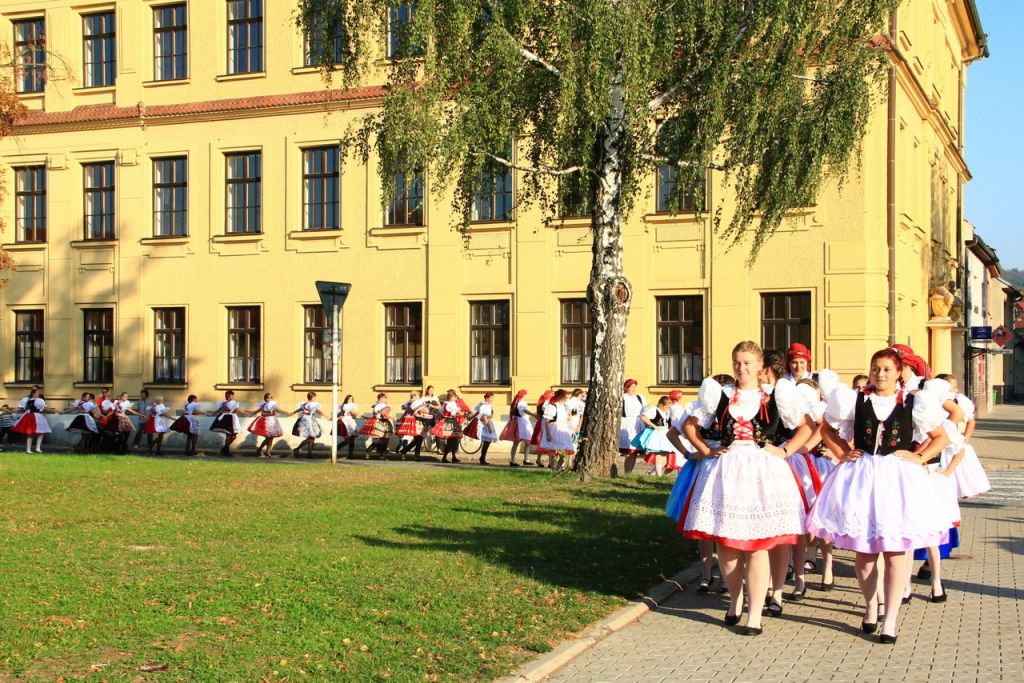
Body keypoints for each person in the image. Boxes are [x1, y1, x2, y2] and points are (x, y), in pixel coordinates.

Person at [808, 347, 951, 644]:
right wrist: (843, 453)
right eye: (876, 368)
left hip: (898, 480)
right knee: (865, 554)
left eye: (886, 369)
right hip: (863, 477)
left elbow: (941, 438)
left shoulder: (913, 402)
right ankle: (871, 604)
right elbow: (827, 430)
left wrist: (919, 458)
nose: (880, 374)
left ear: (898, 372)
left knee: (896, 552)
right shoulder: (855, 400)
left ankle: (891, 620)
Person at [678, 341, 814, 636]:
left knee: (757, 545)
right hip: (726, 472)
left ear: (760, 365)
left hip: (764, 472)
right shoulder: (721, 395)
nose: (742, 368)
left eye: (748, 363)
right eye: (737, 363)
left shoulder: (776, 394)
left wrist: (786, 451)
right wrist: (705, 449)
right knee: (726, 546)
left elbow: (807, 426)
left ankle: (754, 614)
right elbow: (689, 425)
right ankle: (735, 598)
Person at [633, 396, 677, 476]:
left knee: (664, 459)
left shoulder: (665, 412)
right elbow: (643, 417)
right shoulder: (654, 410)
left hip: (664, 434)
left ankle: (652, 473)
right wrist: (654, 426)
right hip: (657, 435)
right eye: (666, 407)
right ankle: (659, 477)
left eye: (668, 407)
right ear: (661, 404)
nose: (667, 409)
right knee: (659, 457)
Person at [537, 389, 576, 471]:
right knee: (555, 450)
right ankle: (554, 468)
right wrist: (548, 434)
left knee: (564, 451)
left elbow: (566, 419)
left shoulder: (564, 407)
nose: (567, 399)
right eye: (565, 397)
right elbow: (547, 421)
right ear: (560, 397)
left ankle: (559, 467)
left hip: (563, 430)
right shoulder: (552, 406)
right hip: (554, 429)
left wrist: (572, 427)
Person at [499, 389, 536, 466]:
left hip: (523, 421)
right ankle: (513, 461)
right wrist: (533, 414)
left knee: (527, 441)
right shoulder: (521, 402)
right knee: (517, 442)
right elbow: (524, 410)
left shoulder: (518, 401)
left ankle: (525, 460)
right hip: (520, 422)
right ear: (523, 395)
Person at [11, 387, 54, 453]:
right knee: (30, 433)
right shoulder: (27, 400)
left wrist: (54, 411)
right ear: (33, 393)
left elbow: (44, 408)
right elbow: (20, 408)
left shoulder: (39, 400)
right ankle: (29, 449)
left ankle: (37, 448)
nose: (38, 394)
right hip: (31, 416)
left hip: (37, 416)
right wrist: (12, 410)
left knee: (41, 432)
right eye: (37, 393)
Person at [619, 380, 648, 474]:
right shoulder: (622, 397)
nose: (633, 389)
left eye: (634, 387)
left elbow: (645, 411)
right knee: (628, 449)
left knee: (634, 451)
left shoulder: (639, 398)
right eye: (631, 387)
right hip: (626, 424)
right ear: (626, 388)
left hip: (638, 424)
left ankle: (629, 473)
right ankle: (625, 471)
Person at [210, 390, 249, 456]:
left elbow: (221, 409)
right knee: (229, 435)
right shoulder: (230, 402)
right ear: (228, 396)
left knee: (233, 436)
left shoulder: (226, 403)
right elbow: (236, 409)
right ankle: (226, 451)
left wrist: (213, 413)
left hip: (230, 418)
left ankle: (224, 449)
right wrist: (246, 413)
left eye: (233, 395)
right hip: (229, 418)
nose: (233, 396)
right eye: (232, 395)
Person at [431, 390, 466, 463]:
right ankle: (446, 457)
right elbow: (457, 412)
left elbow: (440, 413)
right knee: (452, 440)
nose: (456, 398)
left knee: (452, 440)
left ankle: (452, 457)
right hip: (450, 422)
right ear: (452, 397)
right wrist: (466, 415)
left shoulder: (445, 404)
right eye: (455, 397)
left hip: (448, 421)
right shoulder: (451, 404)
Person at [467, 392, 499, 465]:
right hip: (485, 425)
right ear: (487, 398)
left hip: (487, 423)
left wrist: (471, 417)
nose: (492, 399)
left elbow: (478, 412)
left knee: (487, 442)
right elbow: (484, 417)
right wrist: (489, 427)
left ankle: (482, 458)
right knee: (486, 442)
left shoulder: (485, 405)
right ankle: (482, 458)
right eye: (491, 398)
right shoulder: (485, 406)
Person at [291, 392, 325, 458]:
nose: (315, 398)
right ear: (312, 397)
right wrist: (326, 416)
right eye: (314, 397)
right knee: (311, 437)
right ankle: (298, 449)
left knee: (312, 438)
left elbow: (300, 409)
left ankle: (309, 453)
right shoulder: (311, 404)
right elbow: (318, 411)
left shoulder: (305, 403)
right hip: (307, 420)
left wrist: (293, 412)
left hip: (307, 419)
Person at [359, 393, 393, 457]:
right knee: (380, 439)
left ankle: (382, 454)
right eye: (384, 398)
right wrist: (393, 418)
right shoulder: (380, 405)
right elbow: (383, 414)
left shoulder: (382, 405)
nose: (385, 399)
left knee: (386, 438)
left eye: (385, 398)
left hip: (385, 422)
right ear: (381, 398)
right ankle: (368, 451)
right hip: (379, 422)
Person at [395, 391, 426, 459]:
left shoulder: (411, 402)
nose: (419, 396)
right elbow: (415, 411)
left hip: (418, 420)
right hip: (415, 421)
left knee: (418, 439)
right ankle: (415, 454)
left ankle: (405, 451)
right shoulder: (415, 402)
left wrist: (401, 418)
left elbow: (405, 410)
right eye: (418, 395)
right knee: (418, 438)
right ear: (414, 396)